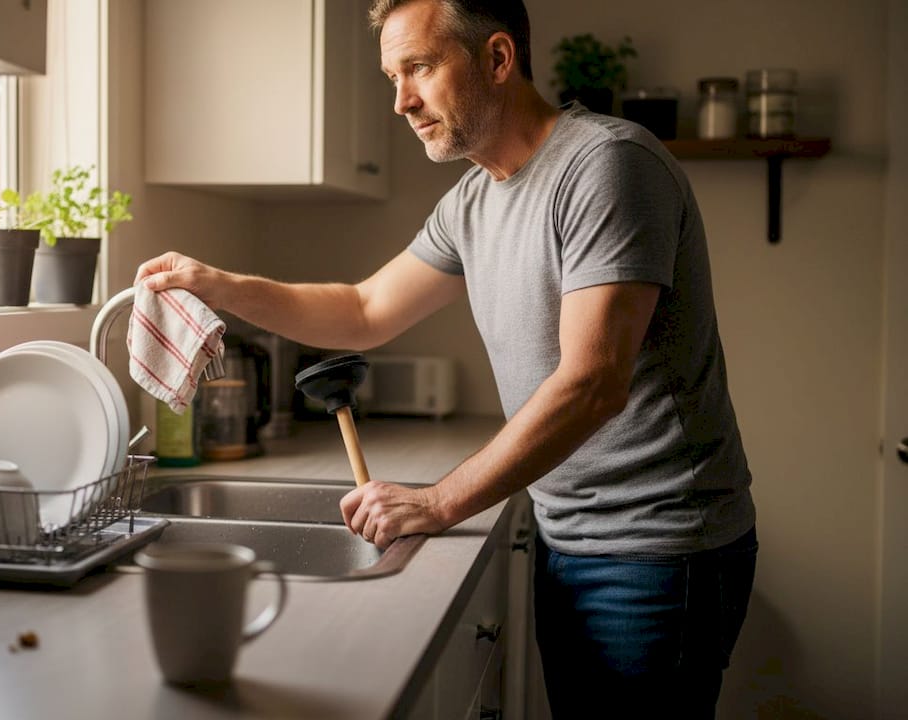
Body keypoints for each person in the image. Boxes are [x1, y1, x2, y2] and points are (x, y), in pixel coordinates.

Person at [133, 0, 756, 716]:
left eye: (420, 68)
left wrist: (436, 500)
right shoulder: (473, 201)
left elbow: (593, 383)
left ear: (497, 59)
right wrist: (219, 284)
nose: (401, 101)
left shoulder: (606, 165)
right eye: (392, 76)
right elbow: (364, 311)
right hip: (572, 535)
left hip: (657, 548)